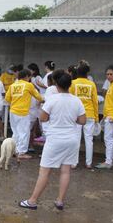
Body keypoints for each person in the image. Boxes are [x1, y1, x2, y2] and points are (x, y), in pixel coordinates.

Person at [19, 70, 86, 211]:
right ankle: (60, 201)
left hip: (55, 139)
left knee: (44, 171)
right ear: (70, 84)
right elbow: (82, 120)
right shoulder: (76, 100)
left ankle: (32, 201)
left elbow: (43, 118)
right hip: (72, 139)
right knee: (66, 170)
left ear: (56, 84)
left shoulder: (52, 100)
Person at [5, 69, 43, 160]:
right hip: (23, 112)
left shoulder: (13, 85)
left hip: (13, 111)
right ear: (26, 76)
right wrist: (43, 100)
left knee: (16, 132)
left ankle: (13, 150)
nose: (29, 78)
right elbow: (38, 97)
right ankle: (21, 152)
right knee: (24, 132)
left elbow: (7, 98)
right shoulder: (28, 85)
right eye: (29, 77)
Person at [69, 60, 99, 169]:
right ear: (87, 73)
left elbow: (70, 100)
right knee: (89, 139)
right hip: (89, 114)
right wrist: (96, 117)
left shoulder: (73, 83)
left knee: (76, 139)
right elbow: (95, 101)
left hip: (76, 115)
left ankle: (74, 162)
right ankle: (88, 163)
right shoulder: (92, 84)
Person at [95, 66, 113, 169]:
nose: (109, 76)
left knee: (108, 139)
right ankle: (111, 160)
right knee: (112, 139)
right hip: (109, 116)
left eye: (111, 74)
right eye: (107, 74)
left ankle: (108, 161)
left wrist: (112, 116)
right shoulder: (112, 85)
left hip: (111, 117)